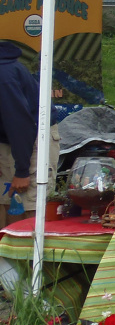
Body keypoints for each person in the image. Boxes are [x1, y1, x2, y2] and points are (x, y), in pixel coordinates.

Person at [0, 40, 57, 229]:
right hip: (8, 141)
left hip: (31, 139)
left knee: (28, 205)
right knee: (4, 204)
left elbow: (19, 124)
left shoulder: (4, 76)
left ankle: (30, 256)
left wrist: (22, 171)